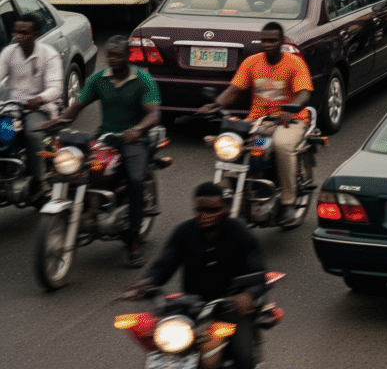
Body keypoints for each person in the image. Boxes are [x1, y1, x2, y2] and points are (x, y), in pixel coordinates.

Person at [123, 182, 266, 369]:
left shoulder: (240, 233)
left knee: (243, 359)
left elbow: (258, 272)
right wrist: (147, 282)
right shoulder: (184, 233)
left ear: (224, 209)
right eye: (200, 210)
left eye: (212, 210)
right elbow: (164, 263)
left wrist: (249, 294)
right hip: (192, 308)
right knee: (161, 344)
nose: (205, 215)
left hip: (231, 309)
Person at [45, 36, 161, 264]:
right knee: (69, 169)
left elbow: (154, 113)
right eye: (110, 55)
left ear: (128, 56)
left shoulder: (143, 79)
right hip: (105, 137)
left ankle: (134, 239)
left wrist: (137, 130)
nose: (114, 59)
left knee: (136, 181)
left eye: (119, 55)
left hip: (134, 140)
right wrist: (56, 122)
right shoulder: (100, 79)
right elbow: (76, 107)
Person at [198, 23, 313, 228]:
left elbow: (304, 92)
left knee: (281, 145)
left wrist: (291, 109)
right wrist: (214, 105)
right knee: (239, 146)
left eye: (272, 40)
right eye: (264, 40)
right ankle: (243, 190)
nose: (267, 44)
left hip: (290, 121)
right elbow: (233, 90)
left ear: (282, 42)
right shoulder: (252, 62)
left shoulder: (294, 63)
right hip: (258, 122)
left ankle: (288, 202)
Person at [0, 11, 62, 197]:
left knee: (33, 134)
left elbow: (56, 87)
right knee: (4, 133)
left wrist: (40, 99)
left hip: (40, 109)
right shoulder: (9, 53)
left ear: (35, 34)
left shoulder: (48, 55)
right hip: (12, 108)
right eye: (16, 32)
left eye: (24, 32)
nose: (18, 36)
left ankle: (40, 181)